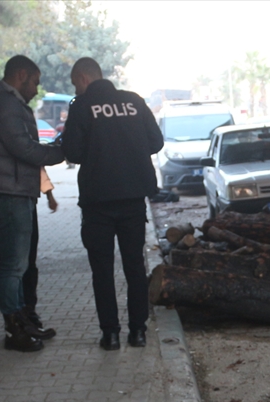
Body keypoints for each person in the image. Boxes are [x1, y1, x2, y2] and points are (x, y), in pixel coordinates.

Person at [62, 57, 163, 349]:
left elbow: (72, 152)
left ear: (82, 78)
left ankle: (111, 334)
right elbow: (156, 143)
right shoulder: (134, 102)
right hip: (133, 199)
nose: (77, 90)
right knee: (134, 267)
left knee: (102, 270)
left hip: (98, 203)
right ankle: (139, 332)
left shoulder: (81, 107)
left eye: (75, 85)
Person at [0, 55, 65, 351]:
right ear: (21, 75)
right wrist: (61, 151)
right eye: (35, 81)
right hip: (7, 195)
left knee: (19, 265)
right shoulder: (4, 104)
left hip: (10, 192)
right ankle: (14, 330)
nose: (37, 89)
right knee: (13, 266)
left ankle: (22, 321)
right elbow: (22, 147)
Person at [0, 148, 59, 337]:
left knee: (27, 263)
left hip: (25, 199)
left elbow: (32, 157)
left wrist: (48, 192)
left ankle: (27, 314)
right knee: (9, 264)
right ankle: (13, 322)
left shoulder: (20, 122)